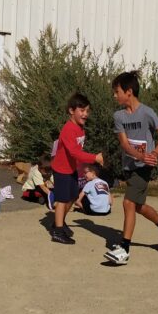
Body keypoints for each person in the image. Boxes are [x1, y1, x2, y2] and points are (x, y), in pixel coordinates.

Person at [105, 71, 158, 265]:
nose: (114, 95)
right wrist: (140, 155)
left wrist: (154, 154)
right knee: (137, 206)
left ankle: (124, 249)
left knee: (128, 203)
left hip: (144, 167)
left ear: (128, 92)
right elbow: (124, 144)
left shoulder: (147, 112)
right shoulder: (118, 116)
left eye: (117, 91)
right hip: (129, 165)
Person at [48, 93, 104, 244]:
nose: (85, 114)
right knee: (62, 200)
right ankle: (58, 232)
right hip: (61, 170)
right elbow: (74, 152)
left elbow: (77, 152)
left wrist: (82, 166)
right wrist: (94, 158)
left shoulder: (80, 128)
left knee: (73, 197)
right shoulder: (68, 129)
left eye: (87, 111)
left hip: (71, 169)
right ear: (71, 111)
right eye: (82, 110)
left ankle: (59, 222)